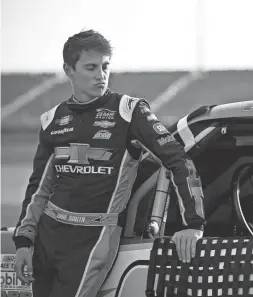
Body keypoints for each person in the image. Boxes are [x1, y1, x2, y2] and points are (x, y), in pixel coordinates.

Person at [13, 29, 205, 297]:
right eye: (90, 67)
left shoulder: (129, 111)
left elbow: (178, 160)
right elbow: (38, 188)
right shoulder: (52, 119)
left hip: (95, 238)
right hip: (48, 235)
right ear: (69, 70)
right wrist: (24, 241)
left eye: (105, 66)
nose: (100, 74)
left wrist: (193, 224)